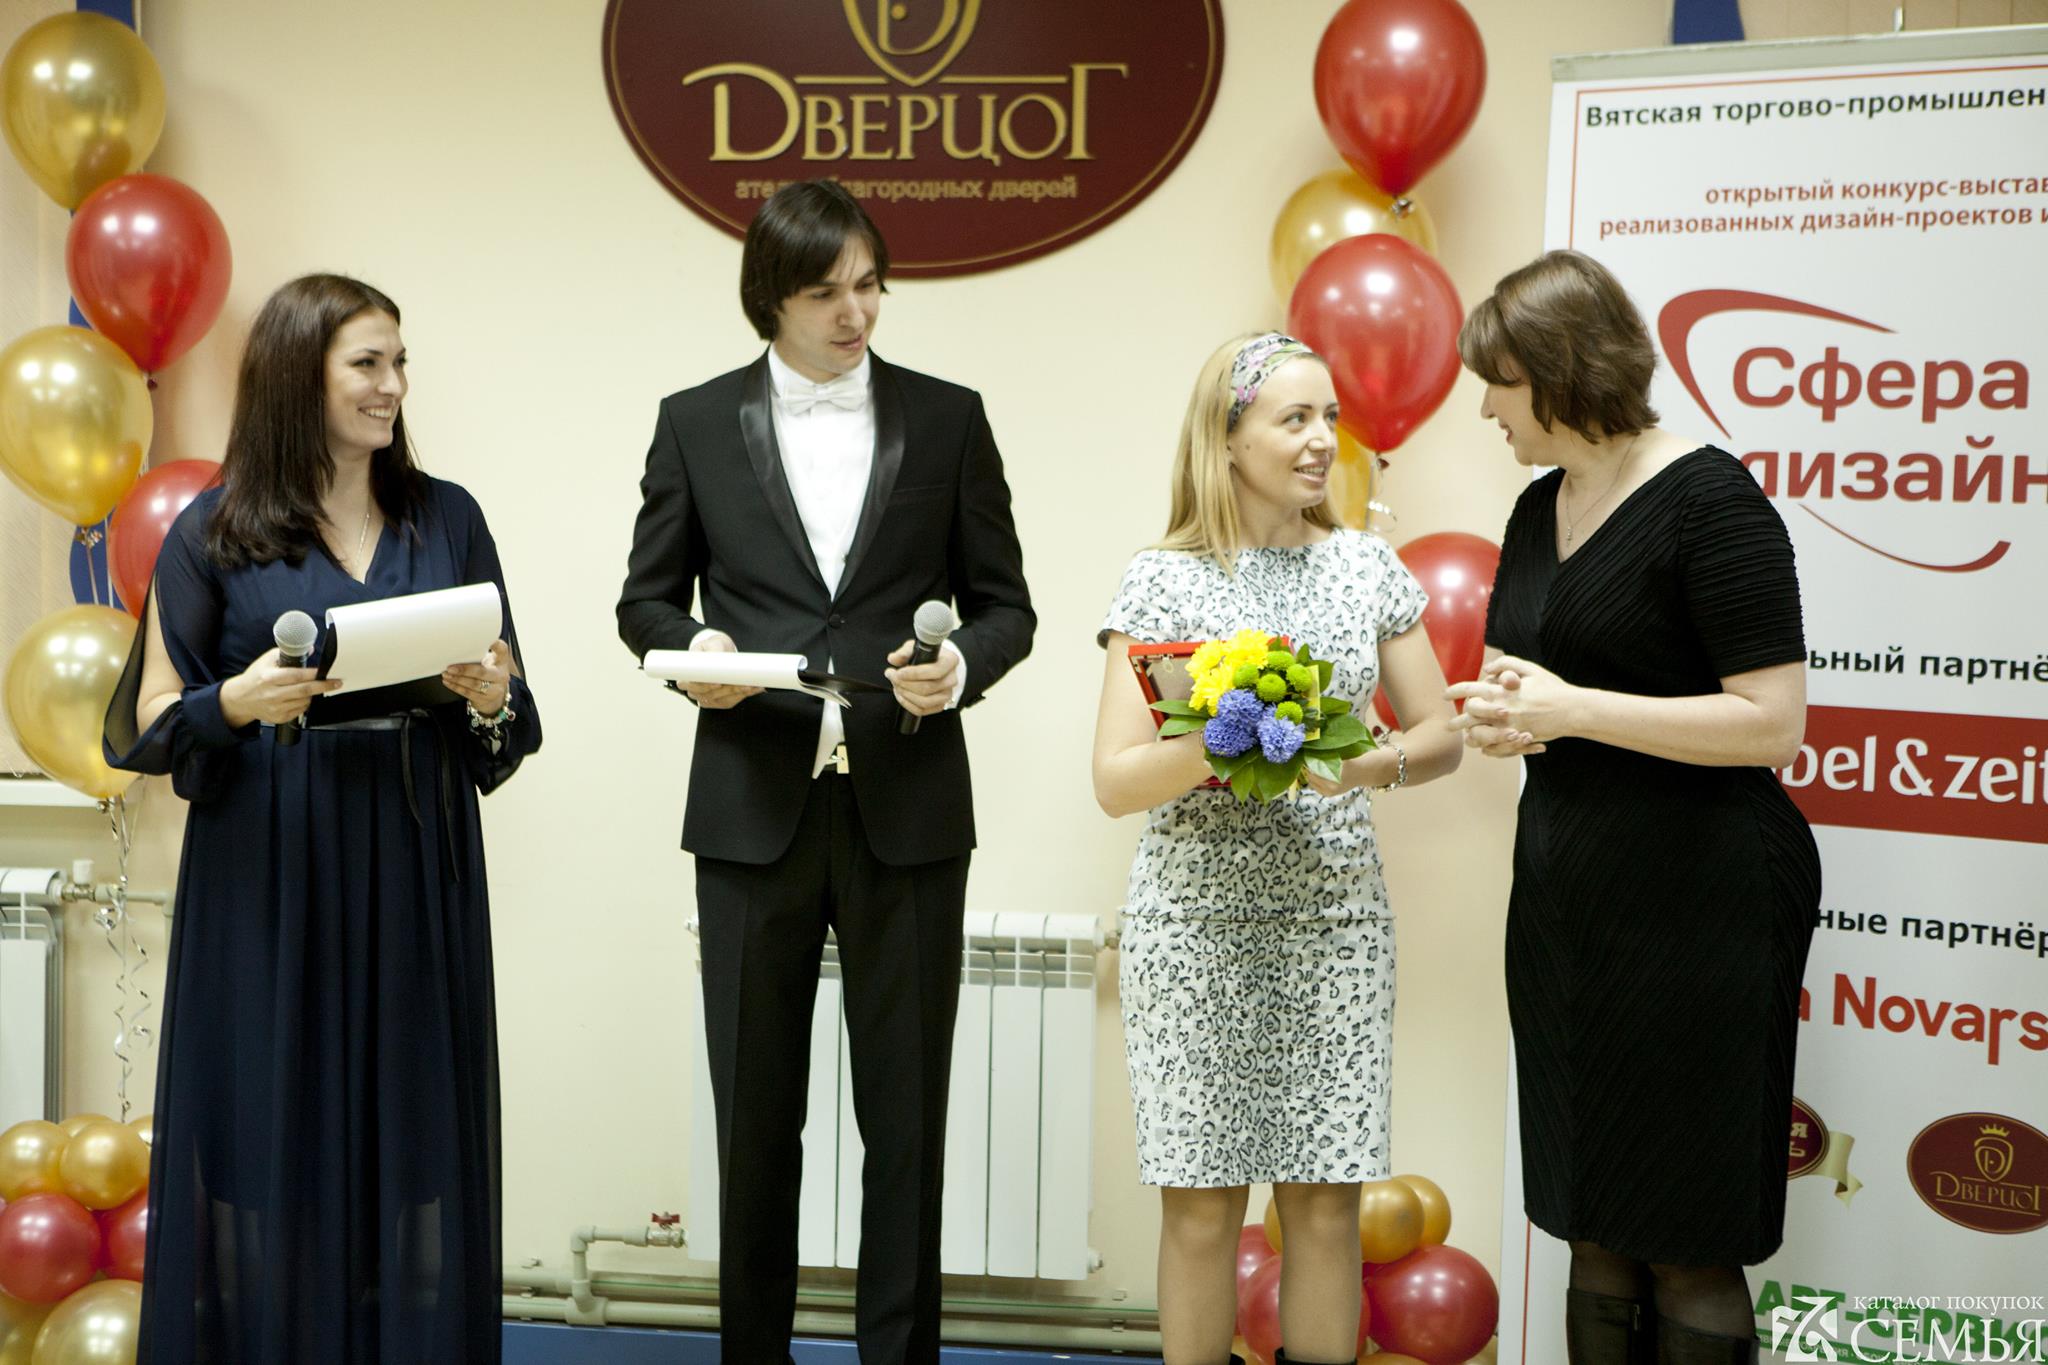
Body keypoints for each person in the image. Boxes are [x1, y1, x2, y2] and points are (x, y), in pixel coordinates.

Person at [616, 179, 1034, 1363]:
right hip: (750, 807)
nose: (857, 313)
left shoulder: (948, 418)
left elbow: (1006, 606)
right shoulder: (694, 421)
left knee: (906, 1122)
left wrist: (959, 672)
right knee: (754, 1121)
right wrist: (693, 652)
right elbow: (644, 601)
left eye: (870, 285)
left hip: (911, 805)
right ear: (771, 299)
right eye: (826, 294)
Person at [103, 274, 541, 1362]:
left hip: (414, 870)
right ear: (300, 375)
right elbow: (146, 723)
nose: (393, 386)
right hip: (271, 873)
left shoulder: (449, 516)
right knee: (275, 1150)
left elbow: (511, 715)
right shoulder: (213, 530)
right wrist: (234, 703)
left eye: (400, 363)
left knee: (406, 1150)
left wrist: (492, 694)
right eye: (368, 364)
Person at [1446, 250, 1819, 1365]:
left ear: (1562, 373)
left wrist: (1573, 710)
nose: (1484, 408)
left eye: (1499, 384)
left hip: (1701, 900)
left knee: (1685, 1233)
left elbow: (1771, 724)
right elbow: (1529, 679)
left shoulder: (1712, 500)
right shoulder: (1536, 506)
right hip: (1569, 898)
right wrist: (1507, 717)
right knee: (1590, 1214)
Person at [1091, 332, 1460, 1365]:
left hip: (1333, 920)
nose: (1321, 441)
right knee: (1201, 1207)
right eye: (1294, 419)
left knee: (1325, 1202)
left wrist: (1366, 765)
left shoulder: (1364, 566)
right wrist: (1221, 739)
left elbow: (1440, 736)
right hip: (1193, 928)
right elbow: (1114, 780)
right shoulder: (1159, 581)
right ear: (1226, 437)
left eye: (1328, 419)